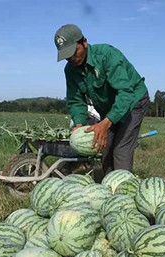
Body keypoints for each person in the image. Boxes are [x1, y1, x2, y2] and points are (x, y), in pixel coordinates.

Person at [54, 24, 150, 174]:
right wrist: (79, 123)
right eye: (66, 56)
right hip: (110, 105)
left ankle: (122, 192)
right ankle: (108, 188)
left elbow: (125, 93)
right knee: (104, 147)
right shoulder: (70, 70)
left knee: (121, 149)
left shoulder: (107, 55)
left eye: (74, 52)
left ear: (84, 42)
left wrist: (106, 122)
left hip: (133, 100)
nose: (71, 58)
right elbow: (75, 100)